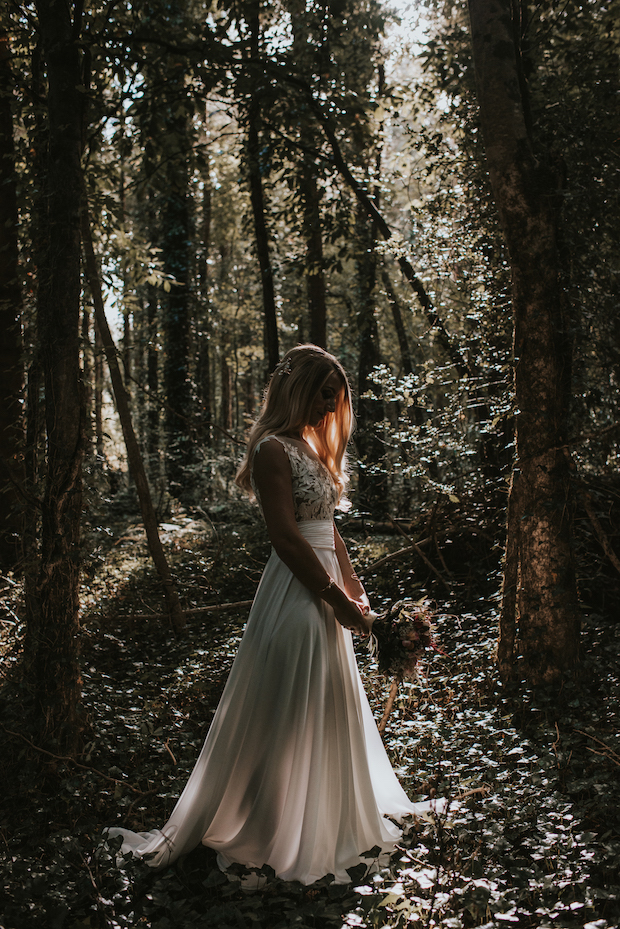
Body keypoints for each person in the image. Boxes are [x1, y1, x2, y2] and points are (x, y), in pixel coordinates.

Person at [104, 344, 437, 886]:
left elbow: (329, 532)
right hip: (295, 594)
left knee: (327, 704)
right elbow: (286, 537)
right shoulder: (271, 450)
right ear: (297, 388)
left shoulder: (311, 448)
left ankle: (325, 817)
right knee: (290, 706)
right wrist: (334, 600)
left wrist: (362, 602)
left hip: (329, 589)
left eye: (337, 396)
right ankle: (273, 827)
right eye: (324, 393)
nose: (331, 406)